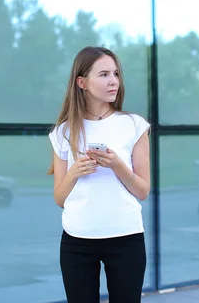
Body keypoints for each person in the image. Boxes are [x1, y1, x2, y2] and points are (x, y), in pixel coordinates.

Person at [47, 46, 151, 303]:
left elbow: (143, 190)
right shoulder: (63, 132)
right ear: (82, 82)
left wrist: (117, 164)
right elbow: (60, 198)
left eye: (115, 73)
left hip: (126, 237)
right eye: (104, 74)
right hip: (77, 241)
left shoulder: (134, 125)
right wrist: (74, 173)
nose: (114, 81)